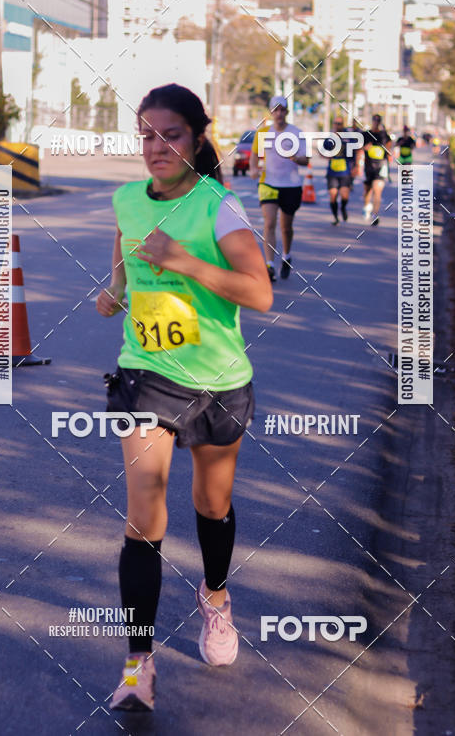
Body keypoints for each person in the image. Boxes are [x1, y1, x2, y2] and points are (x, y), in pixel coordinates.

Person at [96, 83, 273, 713]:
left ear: (197, 138)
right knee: (144, 514)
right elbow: (122, 267)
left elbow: (259, 293)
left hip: (220, 380)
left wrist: (184, 262)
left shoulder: (217, 207)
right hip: (146, 373)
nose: (156, 146)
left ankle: (217, 598)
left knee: (211, 503)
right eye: (146, 134)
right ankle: (138, 665)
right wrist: (114, 291)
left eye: (169, 134)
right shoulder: (125, 199)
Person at [248, 95, 310, 281]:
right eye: (276, 110)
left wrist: (295, 158)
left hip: (290, 185)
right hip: (268, 183)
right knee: (269, 223)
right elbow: (254, 155)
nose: (279, 113)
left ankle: (287, 256)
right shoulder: (263, 133)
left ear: (287, 112)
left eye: (282, 110)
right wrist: (252, 169)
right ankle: (269, 265)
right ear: (271, 112)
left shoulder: (296, 133)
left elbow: (305, 159)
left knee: (286, 227)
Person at [356, 113, 392, 226]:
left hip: (380, 166)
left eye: (378, 121)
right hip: (368, 166)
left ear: (380, 122)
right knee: (367, 190)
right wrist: (364, 150)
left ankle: (375, 215)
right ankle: (367, 206)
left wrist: (387, 151)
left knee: (377, 190)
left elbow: (390, 144)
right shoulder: (366, 134)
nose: (376, 122)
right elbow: (359, 148)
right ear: (372, 121)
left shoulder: (384, 135)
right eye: (374, 120)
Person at [325, 116, 356, 224]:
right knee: (333, 195)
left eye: (339, 123)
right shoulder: (330, 137)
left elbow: (354, 153)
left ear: (343, 125)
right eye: (335, 123)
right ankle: (335, 217)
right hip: (332, 171)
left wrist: (355, 167)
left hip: (345, 171)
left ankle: (343, 208)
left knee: (344, 196)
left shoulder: (348, 137)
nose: (337, 125)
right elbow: (324, 150)